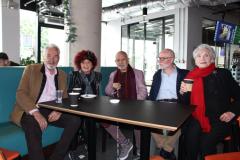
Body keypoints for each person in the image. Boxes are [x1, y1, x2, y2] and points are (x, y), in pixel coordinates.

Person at [10, 44, 81, 160]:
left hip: (51, 110)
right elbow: (20, 93)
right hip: (29, 109)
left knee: (75, 120)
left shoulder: (62, 74)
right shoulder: (31, 69)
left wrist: (59, 110)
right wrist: (36, 113)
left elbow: (64, 97)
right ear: (43, 56)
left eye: (55, 56)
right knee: (33, 125)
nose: (51, 60)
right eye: (48, 56)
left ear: (59, 58)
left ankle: (57, 157)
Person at [180, 44, 240, 160]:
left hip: (220, 119)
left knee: (205, 145)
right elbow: (185, 104)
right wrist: (184, 93)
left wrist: (232, 112)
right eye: (199, 56)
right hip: (197, 118)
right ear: (195, 60)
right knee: (189, 143)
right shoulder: (190, 77)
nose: (202, 58)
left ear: (212, 59)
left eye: (206, 55)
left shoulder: (223, 74)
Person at [105, 51, 148, 160]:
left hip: (134, 105)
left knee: (138, 122)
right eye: (118, 60)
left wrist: (134, 103)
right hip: (118, 106)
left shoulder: (138, 73)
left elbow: (143, 91)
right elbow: (107, 91)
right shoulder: (113, 74)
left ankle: (139, 148)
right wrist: (113, 87)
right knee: (103, 120)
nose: (121, 62)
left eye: (123, 59)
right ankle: (125, 143)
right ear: (115, 62)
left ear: (127, 60)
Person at [148, 49, 189, 160]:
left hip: (177, 105)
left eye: (163, 58)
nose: (160, 61)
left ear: (171, 59)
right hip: (159, 105)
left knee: (181, 121)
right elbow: (152, 95)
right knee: (146, 120)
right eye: (159, 58)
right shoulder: (157, 75)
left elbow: (190, 95)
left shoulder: (184, 74)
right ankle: (167, 149)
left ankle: (164, 148)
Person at [67, 50, 101, 159]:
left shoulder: (97, 75)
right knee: (77, 120)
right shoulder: (74, 74)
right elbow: (69, 91)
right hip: (78, 105)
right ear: (79, 64)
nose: (85, 65)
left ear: (92, 64)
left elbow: (97, 92)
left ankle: (89, 146)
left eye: (88, 63)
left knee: (89, 121)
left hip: (93, 105)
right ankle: (73, 150)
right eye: (83, 63)